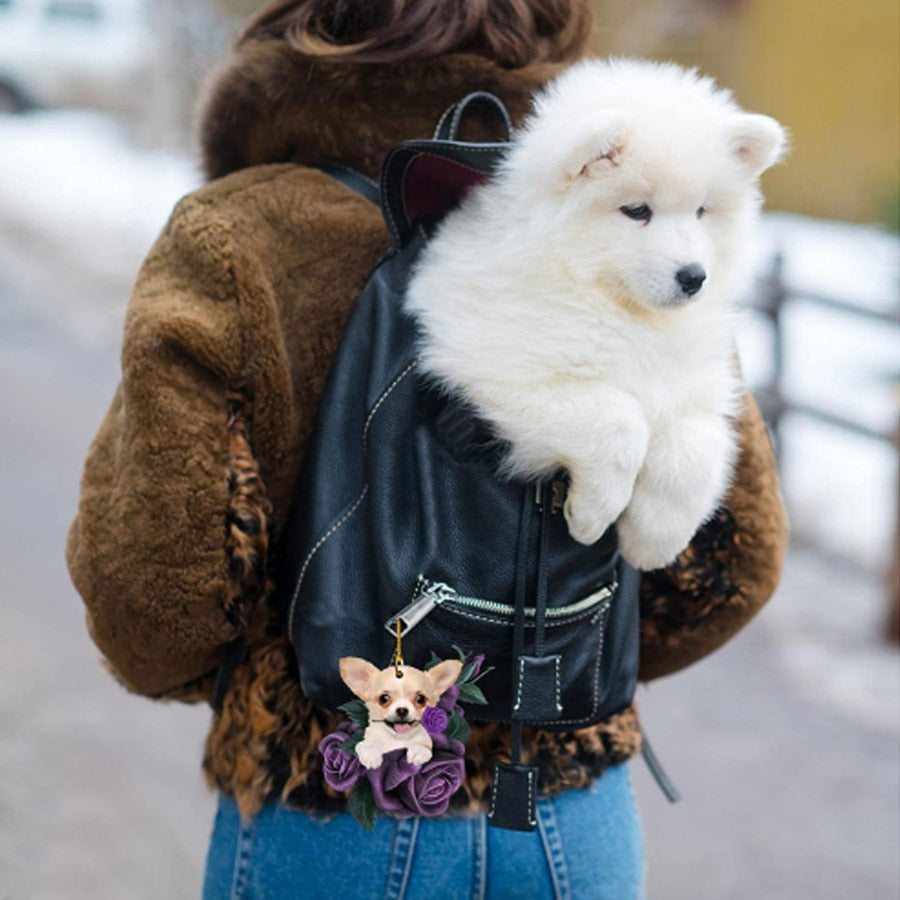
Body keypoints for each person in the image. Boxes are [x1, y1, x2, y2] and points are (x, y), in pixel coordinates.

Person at [66, 2, 788, 897]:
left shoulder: (234, 236)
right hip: (568, 810)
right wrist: (544, 659)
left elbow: (153, 600)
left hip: (337, 803)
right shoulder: (654, 205)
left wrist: (269, 678)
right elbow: (733, 563)